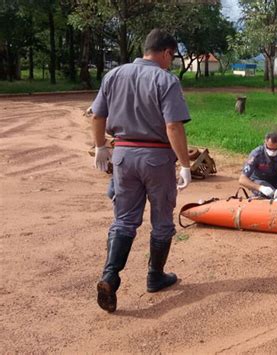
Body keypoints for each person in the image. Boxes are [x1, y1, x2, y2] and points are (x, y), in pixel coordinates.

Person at [91, 29, 192, 313]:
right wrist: (184, 164)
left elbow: (98, 115)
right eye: (172, 57)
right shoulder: (166, 80)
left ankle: (110, 276)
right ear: (166, 52)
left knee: (124, 220)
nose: (170, 63)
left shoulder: (113, 75)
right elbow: (173, 126)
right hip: (156, 157)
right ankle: (155, 276)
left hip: (123, 154)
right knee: (161, 221)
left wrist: (100, 146)